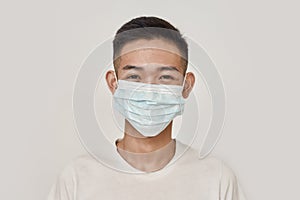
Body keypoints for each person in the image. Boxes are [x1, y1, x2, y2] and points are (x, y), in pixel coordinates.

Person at [48, 16, 246, 200]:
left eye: (165, 77)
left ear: (186, 86)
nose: (149, 91)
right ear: (113, 84)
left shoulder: (216, 179)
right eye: (134, 77)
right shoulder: (77, 180)